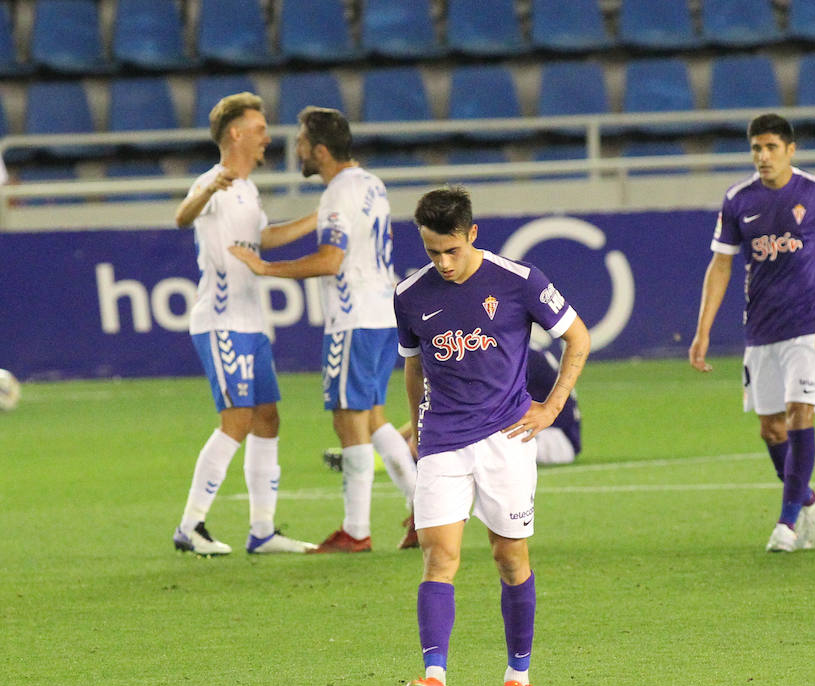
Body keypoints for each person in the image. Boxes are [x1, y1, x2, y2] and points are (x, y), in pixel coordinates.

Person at [397, 187, 590, 686]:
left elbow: (579, 337)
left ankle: (518, 676)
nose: (443, 262)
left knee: (510, 560)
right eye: (433, 251)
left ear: (472, 234)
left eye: (452, 250)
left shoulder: (520, 281)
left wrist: (550, 409)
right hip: (441, 440)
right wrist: (416, 427)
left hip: (506, 441)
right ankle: (435, 679)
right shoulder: (409, 294)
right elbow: (414, 365)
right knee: (439, 558)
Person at [230, 107, 421, 553]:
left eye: (299, 142)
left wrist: (265, 269)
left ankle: (356, 532)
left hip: (353, 316)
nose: (294, 149)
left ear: (319, 150)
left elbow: (330, 261)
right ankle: (424, 511)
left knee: (347, 419)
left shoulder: (339, 192)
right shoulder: (370, 183)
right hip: (381, 311)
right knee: (373, 417)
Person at [688, 113, 815, 553]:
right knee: (771, 430)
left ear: (790, 149)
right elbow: (722, 264)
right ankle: (808, 498)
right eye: (755, 149)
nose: (763, 156)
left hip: (808, 325)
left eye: (770, 148)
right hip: (761, 331)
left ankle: (786, 523)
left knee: (799, 414)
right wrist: (702, 330)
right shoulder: (737, 200)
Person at [171, 92, 318, 556]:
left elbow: (263, 239)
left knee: (267, 419)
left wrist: (319, 219)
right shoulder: (215, 180)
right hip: (221, 322)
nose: (266, 137)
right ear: (235, 133)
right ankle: (190, 525)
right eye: (258, 129)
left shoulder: (249, 190)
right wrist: (208, 190)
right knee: (235, 421)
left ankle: (262, 530)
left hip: (252, 323)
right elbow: (182, 216)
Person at [322, 340, 582, 472]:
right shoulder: (509, 348)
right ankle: (383, 456)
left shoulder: (516, 356)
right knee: (461, 430)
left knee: (471, 435)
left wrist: (402, 437)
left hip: (556, 439)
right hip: (537, 429)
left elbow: (483, 409)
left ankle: (379, 459)